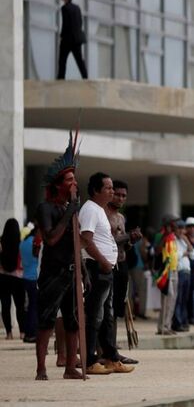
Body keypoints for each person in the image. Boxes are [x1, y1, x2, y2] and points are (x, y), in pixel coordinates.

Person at [34, 132, 82, 380]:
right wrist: (69, 212)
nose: (75, 183)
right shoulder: (46, 208)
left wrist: (82, 270)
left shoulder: (69, 209)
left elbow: (77, 241)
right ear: (58, 184)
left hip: (72, 273)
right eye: (70, 180)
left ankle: (70, 366)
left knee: (73, 322)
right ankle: (41, 367)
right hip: (53, 273)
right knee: (47, 321)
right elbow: (51, 238)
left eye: (75, 179)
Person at [79, 172, 133, 374]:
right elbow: (86, 239)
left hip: (107, 269)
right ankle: (90, 360)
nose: (112, 191)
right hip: (97, 268)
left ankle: (111, 357)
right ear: (96, 190)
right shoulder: (91, 209)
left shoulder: (100, 210)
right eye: (108, 188)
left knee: (106, 317)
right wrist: (103, 261)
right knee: (94, 316)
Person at [105, 180, 140, 365]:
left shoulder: (121, 217)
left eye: (124, 195)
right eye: (117, 194)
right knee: (105, 310)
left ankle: (113, 350)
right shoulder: (102, 214)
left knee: (117, 310)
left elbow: (124, 244)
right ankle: (104, 350)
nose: (120, 198)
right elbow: (107, 240)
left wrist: (132, 239)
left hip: (121, 265)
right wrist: (127, 236)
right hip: (107, 265)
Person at [0, 218, 25, 340]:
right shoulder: (20, 243)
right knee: (20, 305)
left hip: (3, 277)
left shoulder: (1, 242)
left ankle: (9, 333)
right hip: (18, 277)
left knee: (5, 305)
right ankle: (22, 332)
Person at [155, 216, 180, 336]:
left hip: (175, 270)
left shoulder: (174, 236)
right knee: (166, 299)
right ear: (169, 224)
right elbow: (157, 251)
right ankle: (163, 327)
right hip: (167, 271)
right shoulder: (162, 236)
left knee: (172, 299)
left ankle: (167, 325)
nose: (177, 225)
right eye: (174, 223)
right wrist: (165, 235)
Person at [57, 0, 88, 80]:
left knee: (62, 60)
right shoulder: (77, 8)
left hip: (68, 39)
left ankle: (61, 78)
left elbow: (65, 24)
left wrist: (62, 35)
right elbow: (80, 22)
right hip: (77, 38)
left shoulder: (64, 8)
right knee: (79, 60)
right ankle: (85, 77)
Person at [172, 219, 194, 332]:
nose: (182, 231)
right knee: (178, 299)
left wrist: (187, 242)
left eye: (183, 228)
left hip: (187, 273)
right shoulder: (173, 241)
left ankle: (183, 321)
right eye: (179, 228)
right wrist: (184, 253)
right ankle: (177, 323)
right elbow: (174, 256)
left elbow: (193, 255)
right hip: (179, 272)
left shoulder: (183, 241)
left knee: (185, 299)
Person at [20, 226, 39, 342]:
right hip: (35, 277)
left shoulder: (22, 243)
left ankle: (27, 331)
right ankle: (32, 332)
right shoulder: (36, 242)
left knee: (29, 307)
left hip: (25, 276)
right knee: (34, 307)